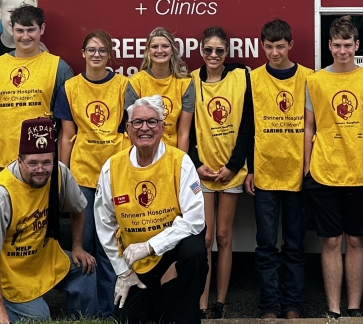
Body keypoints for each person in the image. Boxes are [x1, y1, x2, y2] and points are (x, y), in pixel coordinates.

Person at [0, 118, 96, 322]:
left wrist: (77, 247)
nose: (41, 169)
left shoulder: (59, 173)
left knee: (85, 269)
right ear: (19, 161)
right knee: (38, 318)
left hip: (38, 255)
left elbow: (78, 207)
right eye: (33, 163)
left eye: (47, 162)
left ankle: (84, 320)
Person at [94, 96, 208, 324]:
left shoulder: (180, 162)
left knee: (194, 251)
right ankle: (160, 305)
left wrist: (150, 246)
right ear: (127, 128)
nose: (144, 128)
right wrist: (123, 271)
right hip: (136, 264)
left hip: (170, 253)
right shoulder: (112, 168)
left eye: (152, 122)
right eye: (137, 122)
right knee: (128, 318)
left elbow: (195, 220)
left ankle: (187, 318)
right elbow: (104, 224)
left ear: (163, 127)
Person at [303, 15, 363, 319]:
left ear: (357, 45)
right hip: (324, 171)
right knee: (330, 240)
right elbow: (308, 127)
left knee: (355, 239)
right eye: (337, 45)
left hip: (361, 172)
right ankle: (333, 309)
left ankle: (354, 307)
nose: (342, 51)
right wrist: (306, 169)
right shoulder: (314, 81)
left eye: (348, 45)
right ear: (329, 45)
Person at [55, 29, 126, 319]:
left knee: (110, 248)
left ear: (110, 55)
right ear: (83, 54)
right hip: (82, 176)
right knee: (81, 247)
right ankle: (83, 313)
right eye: (91, 50)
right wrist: (63, 176)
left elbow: (133, 130)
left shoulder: (124, 85)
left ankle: (110, 312)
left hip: (114, 176)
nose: (96, 55)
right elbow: (66, 136)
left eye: (102, 50)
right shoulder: (71, 87)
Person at [246, 18, 311, 320]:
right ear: (262, 45)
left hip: (298, 173)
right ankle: (269, 306)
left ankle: (293, 305)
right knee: (266, 245)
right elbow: (248, 127)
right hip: (265, 174)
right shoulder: (253, 79)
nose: (274, 52)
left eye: (280, 46)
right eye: (269, 46)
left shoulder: (309, 78)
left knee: (296, 244)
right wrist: (248, 168)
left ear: (290, 45)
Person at [189, 27, 252, 318]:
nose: (213, 56)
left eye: (219, 51)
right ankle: (201, 303)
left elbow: (248, 125)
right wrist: (195, 161)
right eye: (208, 50)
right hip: (202, 171)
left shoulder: (242, 77)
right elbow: (186, 129)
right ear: (200, 52)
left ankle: (221, 302)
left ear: (226, 53)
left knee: (225, 236)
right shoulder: (190, 81)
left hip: (231, 172)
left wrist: (234, 166)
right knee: (205, 238)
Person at [0, 5, 72, 184]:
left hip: (41, 168)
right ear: (12, 29)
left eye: (31, 30)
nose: (25, 36)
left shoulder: (58, 68)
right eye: (20, 30)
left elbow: (67, 124)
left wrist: (60, 168)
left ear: (41, 29)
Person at [124, 27, 194, 150]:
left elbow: (183, 133)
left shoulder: (185, 83)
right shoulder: (135, 82)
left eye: (165, 46)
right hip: (143, 152)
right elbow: (132, 131)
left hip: (172, 153)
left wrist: (180, 163)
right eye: (155, 47)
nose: (160, 51)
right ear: (147, 50)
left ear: (172, 50)